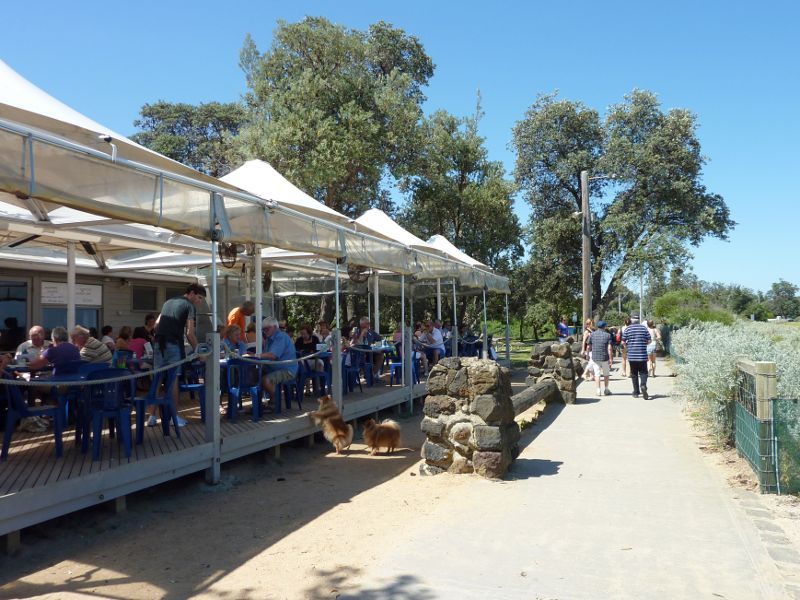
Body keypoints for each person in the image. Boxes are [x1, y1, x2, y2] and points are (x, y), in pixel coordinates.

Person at [148, 283, 207, 427]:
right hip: (173, 344)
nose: (199, 302)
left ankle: (151, 417)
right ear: (191, 293)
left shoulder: (168, 302)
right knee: (173, 380)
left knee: (157, 379)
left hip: (158, 344)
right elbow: (190, 333)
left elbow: (156, 324)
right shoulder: (189, 306)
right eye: (199, 298)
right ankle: (173, 417)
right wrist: (200, 353)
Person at [259, 316, 298, 410]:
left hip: (287, 370)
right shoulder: (269, 339)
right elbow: (267, 355)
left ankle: (276, 401)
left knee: (265, 380)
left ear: (275, 327)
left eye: (266, 329)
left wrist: (257, 355)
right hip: (274, 368)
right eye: (263, 330)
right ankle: (259, 405)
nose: (264, 332)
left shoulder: (281, 337)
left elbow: (273, 355)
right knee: (254, 376)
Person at [621, 313, 652, 399]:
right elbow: (649, 340)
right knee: (643, 372)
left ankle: (636, 392)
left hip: (632, 355)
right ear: (639, 320)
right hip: (642, 355)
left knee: (634, 374)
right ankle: (643, 385)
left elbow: (623, 342)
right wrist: (644, 343)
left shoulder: (628, 329)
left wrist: (628, 346)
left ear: (631, 320)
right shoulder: (644, 328)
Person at [588, 320, 614, 396]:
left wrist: (587, 354)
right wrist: (611, 358)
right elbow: (609, 348)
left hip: (595, 357)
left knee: (597, 374)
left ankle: (598, 390)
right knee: (606, 374)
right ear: (604, 327)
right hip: (605, 357)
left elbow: (589, 346)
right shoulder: (608, 335)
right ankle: (606, 389)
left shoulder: (592, 335)